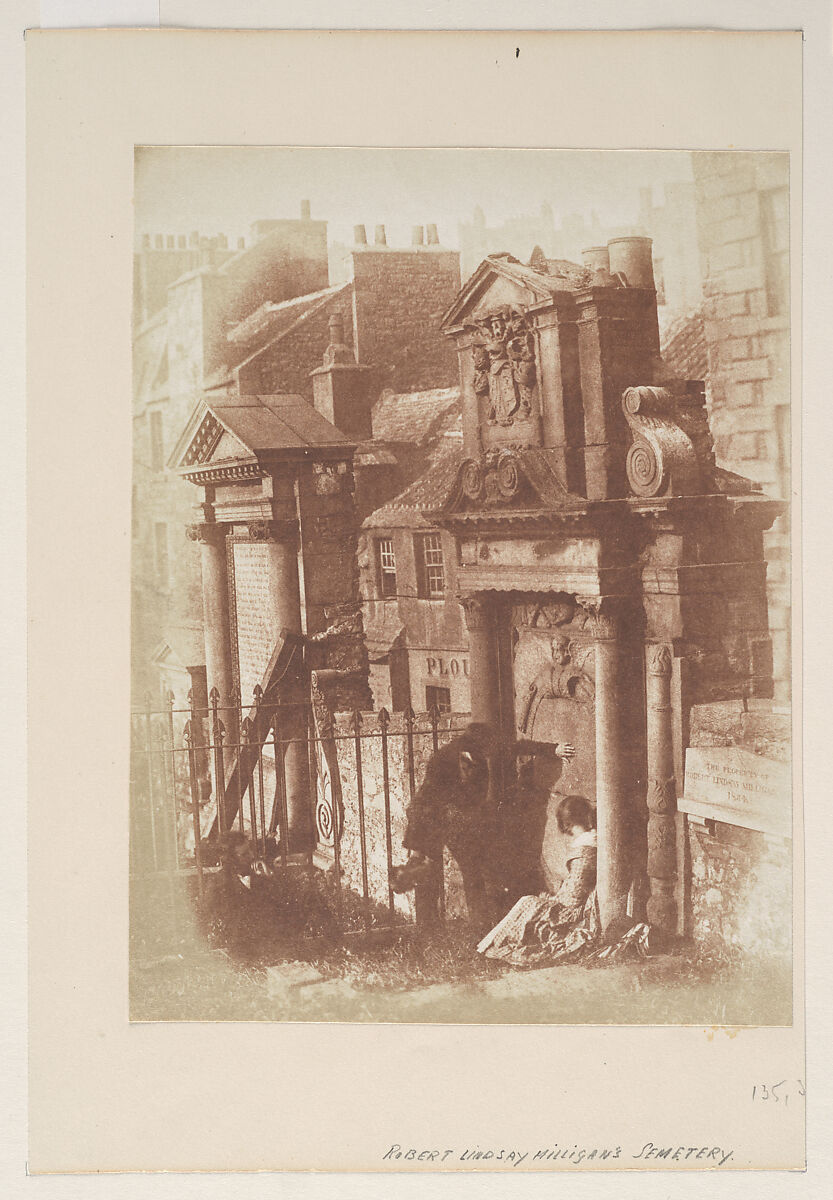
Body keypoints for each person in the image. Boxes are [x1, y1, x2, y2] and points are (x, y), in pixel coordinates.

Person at [391, 724, 575, 931]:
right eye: (486, 749)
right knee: (427, 874)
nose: (490, 753)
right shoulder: (442, 762)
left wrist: (553, 749)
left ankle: (481, 929)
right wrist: (418, 850)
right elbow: (424, 803)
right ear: (471, 748)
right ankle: (428, 930)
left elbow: (515, 747)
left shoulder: (478, 750)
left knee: (474, 874)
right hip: (431, 819)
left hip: (459, 821)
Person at [476, 794, 598, 964]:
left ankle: (490, 946)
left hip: (573, 911)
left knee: (528, 902)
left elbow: (576, 892)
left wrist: (553, 901)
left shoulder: (586, 848)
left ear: (567, 824)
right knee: (529, 902)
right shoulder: (589, 843)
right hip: (573, 902)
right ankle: (490, 945)